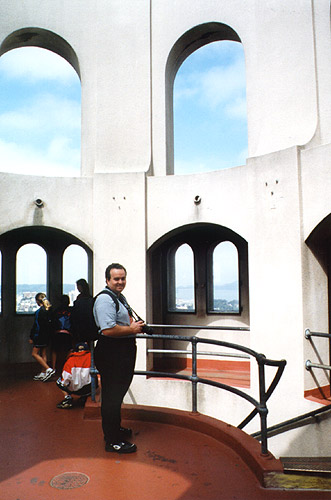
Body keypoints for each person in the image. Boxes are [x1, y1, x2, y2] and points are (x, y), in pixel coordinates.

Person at [93, 263, 144, 454]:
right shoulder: (105, 300)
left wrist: (133, 326)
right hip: (112, 352)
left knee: (117, 394)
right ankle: (112, 440)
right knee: (112, 397)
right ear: (107, 280)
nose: (120, 282)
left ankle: (115, 428)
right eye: (116, 279)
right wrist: (131, 329)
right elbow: (107, 329)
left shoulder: (118, 297)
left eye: (123, 278)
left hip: (122, 351)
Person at [56, 342, 93, 409]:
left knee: (59, 381)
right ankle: (84, 397)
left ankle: (68, 398)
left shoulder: (70, 360)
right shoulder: (91, 357)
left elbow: (66, 378)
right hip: (88, 388)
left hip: (75, 389)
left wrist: (66, 386)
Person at [29, 292, 55, 382]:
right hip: (47, 336)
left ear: (37, 301)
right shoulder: (48, 311)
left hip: (39, 336)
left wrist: (32, 337)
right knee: (43, 353)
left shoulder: (39, 312)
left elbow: (36, 326)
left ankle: (48, 369)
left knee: (34, 354)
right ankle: (43, 372)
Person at [51, 295, 73, 375]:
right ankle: (67, 368)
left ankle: (53, 368)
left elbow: (52, 322)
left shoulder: (56, 311)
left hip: (57, 333)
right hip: (67, 333)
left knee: (54, 350)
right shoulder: (71, 310)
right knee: (69, 350)